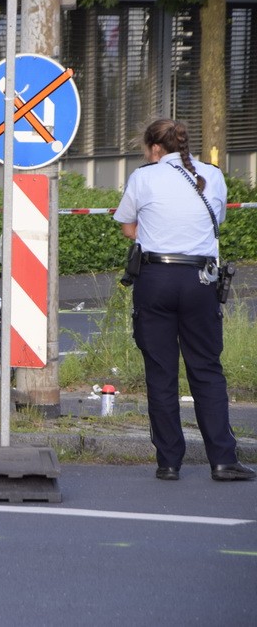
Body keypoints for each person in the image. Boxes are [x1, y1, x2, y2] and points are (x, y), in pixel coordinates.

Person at [114, 118, 254, 482]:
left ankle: (169, 462)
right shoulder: (213, 175)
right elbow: (214, 221)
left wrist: (159, 232)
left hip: (156, 277)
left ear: (154, 148)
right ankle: (223, 460)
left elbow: (129, 227)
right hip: (200, 279)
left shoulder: (143, 177)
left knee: (160, 373)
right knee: (206, 369)